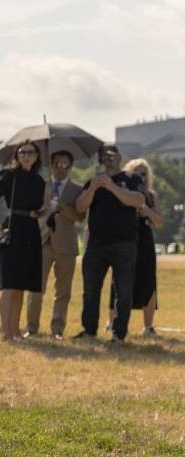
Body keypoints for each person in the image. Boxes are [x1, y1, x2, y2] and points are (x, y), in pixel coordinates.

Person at [74, 144, 146, 342]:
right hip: (97, 245)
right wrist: (95, 187)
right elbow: (80, 207)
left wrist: (112, 187)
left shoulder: (131, 179)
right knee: (90, 290)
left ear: (120, 158)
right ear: (100, 161)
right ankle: (89, 331)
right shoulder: (92, 182)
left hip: (124, 244)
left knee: (123, 292)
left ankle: (118, 334)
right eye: (104, 157)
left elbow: (138, 200)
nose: (108, 160)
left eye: (112, 156)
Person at [0, 141, 47, 341]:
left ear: (36, 156)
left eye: (30, 152)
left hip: (31, 231)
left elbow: (37, 210)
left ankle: (16, 332)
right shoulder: (8, 176)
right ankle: (6, 333)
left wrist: (48, 207)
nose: (26, 156)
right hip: (13, 230)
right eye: (22, 152)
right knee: (9, 286)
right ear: (16, 155)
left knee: (21, 286)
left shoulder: (39, 181)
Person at [24, 150, 84, 339]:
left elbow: (80, 217)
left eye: (65, 165)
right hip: (42, 241)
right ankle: (31, 328)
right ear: (51, 165)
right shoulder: (42, 186)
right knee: (35, 288)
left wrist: (63, 208)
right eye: (57, 164)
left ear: (70, 167)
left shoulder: (77, 190)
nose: (61, 168)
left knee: (63, 291)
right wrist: (43, 209)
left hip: (66, 244)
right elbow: (32, 212)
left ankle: (57, 329)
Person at [106, 158, 164, 337]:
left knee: (148, 281)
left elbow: (160, 222)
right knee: (119, 280)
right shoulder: (122, 191)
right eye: (137, 172)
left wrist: (148, 211)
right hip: (125, 238)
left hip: (145, 241)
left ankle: (148, 326)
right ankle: (112, 321)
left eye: (144, 173)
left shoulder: (152, 196)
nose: (141, 176)